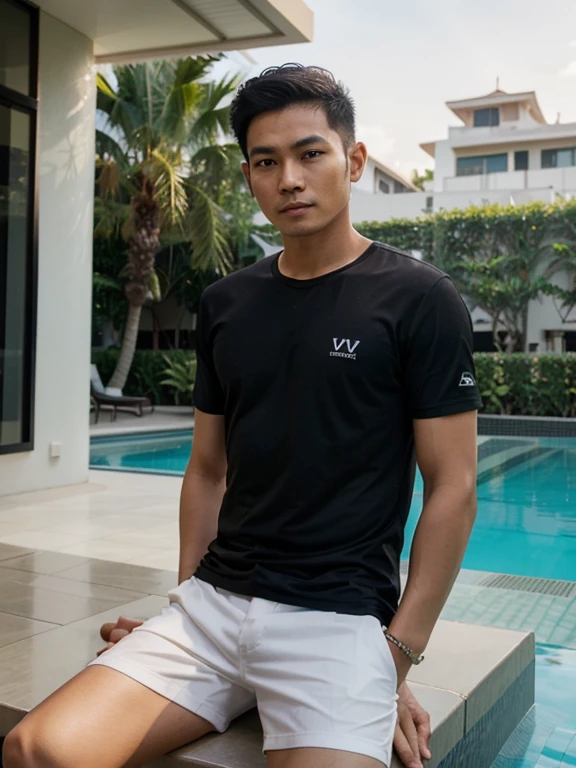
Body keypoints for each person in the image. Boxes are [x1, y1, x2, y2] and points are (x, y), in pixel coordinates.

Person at [3, 64, 481, 768]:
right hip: (212, 612)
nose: (289, 177)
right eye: (266, 161)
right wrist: (184, 598)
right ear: (251, 176)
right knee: (35, 749)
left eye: (310, 153)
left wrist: (396, 656)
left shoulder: (418, 298)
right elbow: (206, 466)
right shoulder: (227, 303)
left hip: (338, 624)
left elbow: (454, 487)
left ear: (352, 161)